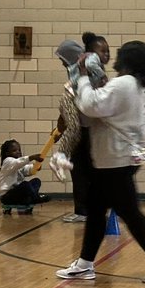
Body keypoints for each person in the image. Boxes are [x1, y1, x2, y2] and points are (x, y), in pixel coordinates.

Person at [55, 40, 145, 283]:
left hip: (116, 160)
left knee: (130, 213)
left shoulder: (124, 84)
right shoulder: (131, 84)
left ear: (127, 60)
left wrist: (83, 77)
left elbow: (91, 105)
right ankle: (85, 263)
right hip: (112, 160)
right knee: (97, 210)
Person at [51, 32, 110, 223]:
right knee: (80, 171)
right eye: (103, 51)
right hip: (82, 128)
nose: (106, 55)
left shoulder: (91, 73)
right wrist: (62, 124)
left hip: (90, 130)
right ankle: (82, 210)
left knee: (94, 171)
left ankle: (95, 208)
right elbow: (70, 104)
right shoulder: (78, 76)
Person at [0, 140, 50, 207]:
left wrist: (35, 167)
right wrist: (31, 157)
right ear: (7, 153)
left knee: (36, 181)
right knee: (25, 185)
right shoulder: (7, 162)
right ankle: (35, 198)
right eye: (14, 150)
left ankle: (31, 198)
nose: (18, 152)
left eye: (19, 150)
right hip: (7, 196)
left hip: (18, 194)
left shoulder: (18, 165)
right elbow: (18, 162)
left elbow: (26, 170)